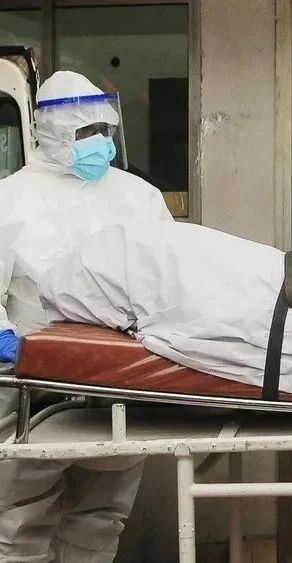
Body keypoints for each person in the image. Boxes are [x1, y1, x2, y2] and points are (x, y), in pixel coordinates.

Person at [0, 70, 173, 561]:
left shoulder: (138, 196)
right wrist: (5, 338)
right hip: (31, 383)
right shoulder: (10, 199)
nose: (100, 143)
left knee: (101, 516)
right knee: (19, 519)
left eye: (105, 130)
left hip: (118, 378)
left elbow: (172, 277)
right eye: (86, 132)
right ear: (53, 133)